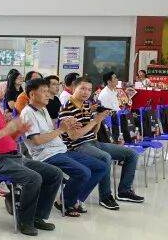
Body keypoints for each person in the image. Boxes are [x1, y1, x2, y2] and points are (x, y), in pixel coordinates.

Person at [0, 73, 62, 236]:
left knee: (55, 173)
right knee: (34, 178)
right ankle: (24, 220)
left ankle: (37, 216)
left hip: (14, 157)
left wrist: (17, 131)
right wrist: (6, 130)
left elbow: (6, 139)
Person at [20, 78, 108, 216]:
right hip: (46, 155)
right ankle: (66, 203)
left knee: (101, 166)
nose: (48, 94)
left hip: (60, 150)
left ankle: (76, 199)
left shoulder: (43, 109)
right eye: (44, 92)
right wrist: (61, 129)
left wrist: (68, 126)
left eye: (48, 91)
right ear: (32, 94)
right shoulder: (27, 113)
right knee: (83, 172)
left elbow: (51, 131)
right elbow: (37, 140)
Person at [58, 76, 144, 209]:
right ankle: (105, 196)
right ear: (74, 88)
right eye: (82, 89)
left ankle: (124, 191)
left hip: (93, 142)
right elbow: (74, 137)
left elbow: (93, 133)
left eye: (89, 90)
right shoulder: (67, 108)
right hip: (78, 146)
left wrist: (99, 119)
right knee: (105, 157)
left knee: (131, 154)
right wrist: (95, 121)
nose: (86, 92)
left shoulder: (86, 105)